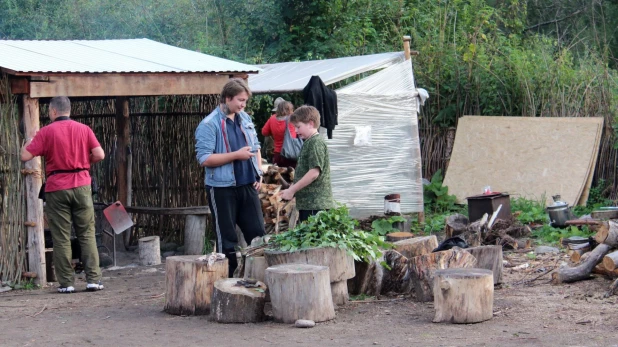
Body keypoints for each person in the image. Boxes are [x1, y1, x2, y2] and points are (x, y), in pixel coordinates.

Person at [21, 96, 105, 293]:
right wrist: (84, 163)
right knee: (87, 234)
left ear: (52, 112)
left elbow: (25, 156)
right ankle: (93, 280)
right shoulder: (84, 129)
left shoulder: (46, 132)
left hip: (57, 187)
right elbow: (100, 154)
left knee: (61, 237)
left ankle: (67, 283)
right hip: (82, 185)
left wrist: (30, 140)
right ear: (69, 110)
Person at [195, 78, 265, 277]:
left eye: (245, 101)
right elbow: (205, 159)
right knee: (227, 239)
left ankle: (259, 279)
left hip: (247, 185)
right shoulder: (209, 125)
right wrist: (236, 155)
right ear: (227, 98)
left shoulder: (246, 119)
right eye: (240, 100)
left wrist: (258, 172)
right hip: (221, 188)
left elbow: (256, 148)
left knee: (258, 235)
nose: (243, 105)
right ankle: (229, 283)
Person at [279, 105, 334, 222]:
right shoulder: (310, 142)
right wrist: (291, 188)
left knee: (315, 239)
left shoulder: (316, 143)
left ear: (310, 123)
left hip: (315, 205)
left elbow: (314, 173)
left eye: (298, 127)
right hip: (309, 205)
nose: (296, 131)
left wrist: (292, 191)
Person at [261, 99, 298, 168]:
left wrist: (273, 132)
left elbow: (264, 132)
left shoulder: (272, 118)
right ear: (290, 109)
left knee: (278, 176)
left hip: (277, 154)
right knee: (292, 176)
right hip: (291, 153)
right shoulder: (292, 118)